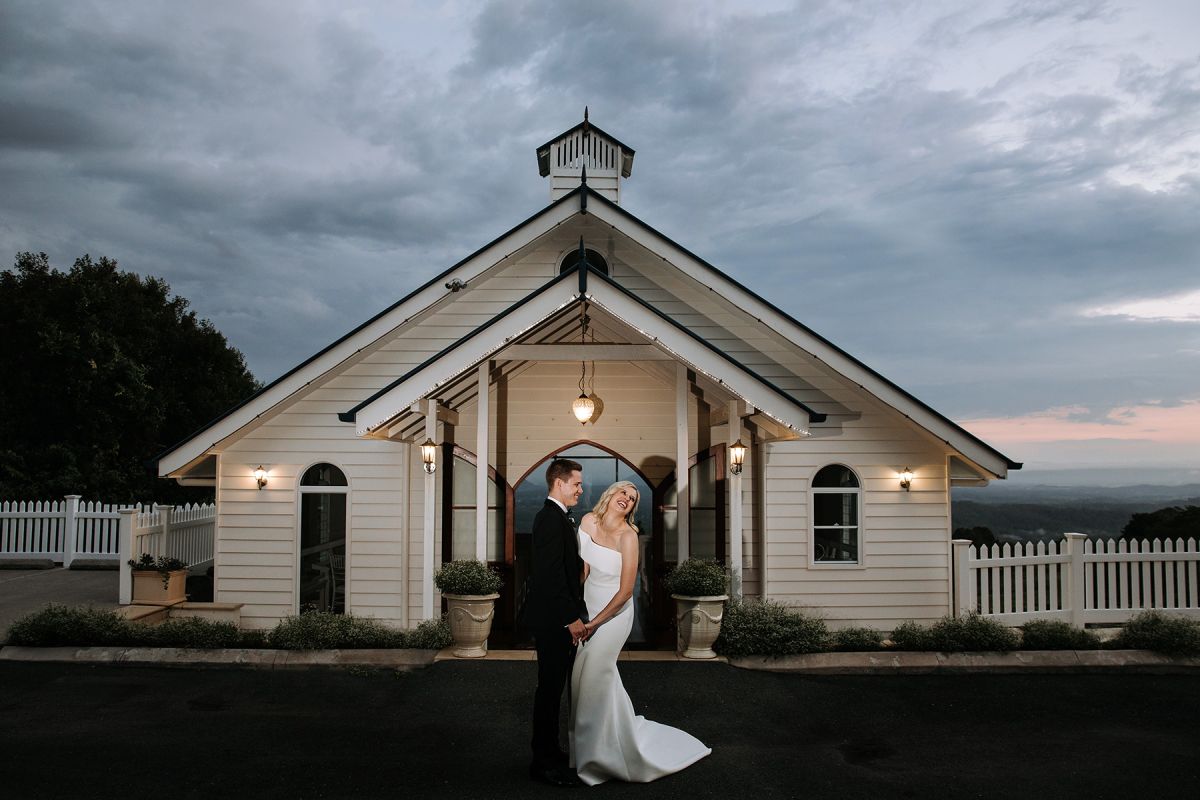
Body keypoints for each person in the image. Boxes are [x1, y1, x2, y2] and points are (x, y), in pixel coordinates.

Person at [569, 481, 712, 785]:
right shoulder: (587, 521)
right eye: (624, 492)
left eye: (633, 499)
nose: (627, 499)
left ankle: (600, 759)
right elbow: (584, 569)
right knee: (582, 679)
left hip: (614, 615)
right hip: (589, 609)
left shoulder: (628, 537)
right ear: (611, 494)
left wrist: (594, 624)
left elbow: (624, 593)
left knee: (596, 673)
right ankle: (587, 747)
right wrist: (572, 611)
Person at [524, 458, 589, 787]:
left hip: (557, 618)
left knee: (554, 690)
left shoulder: (556, 518)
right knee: (549, 692)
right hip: (554, 622)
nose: (580, 489)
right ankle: (543, 763)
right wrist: (571, 620)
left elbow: (561, 565)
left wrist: (580, 565)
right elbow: (548, 577)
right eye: (576, 483)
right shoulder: (550, 519)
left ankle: (551, 750)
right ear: (559, 483)